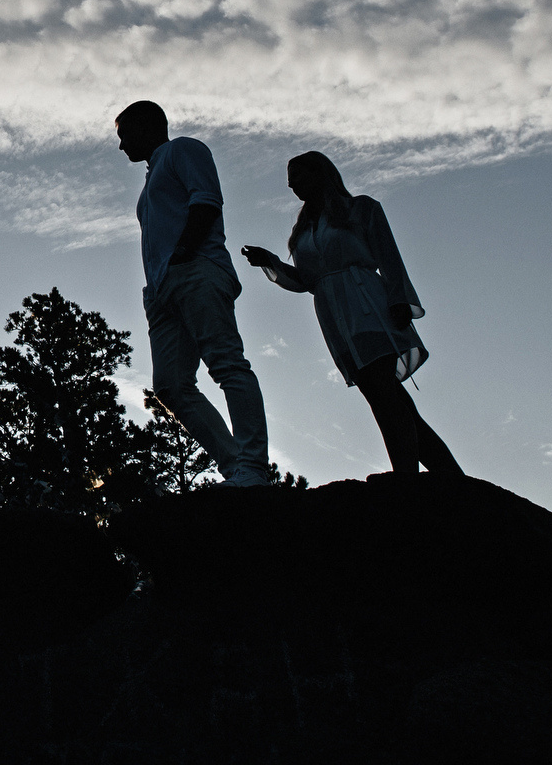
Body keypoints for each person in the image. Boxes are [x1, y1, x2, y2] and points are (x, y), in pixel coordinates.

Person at [240, 152, 462, 477]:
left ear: (320, 173)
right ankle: (447, 474)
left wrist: (400, 299)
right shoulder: (303, 231)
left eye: (299, 177)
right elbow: (307, 280)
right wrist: (271, 261)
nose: (293, 186)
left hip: (367, 304)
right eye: (290, 182)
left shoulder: (361, 209)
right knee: (383, 394)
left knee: (383, 392)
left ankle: (406, 474)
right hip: (335, 318)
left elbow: (388, 254)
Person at [115, 100, 273, 488]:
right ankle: (235, 464)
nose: (120, 147)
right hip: (162, 290)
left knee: (227, 364)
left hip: (196, 272)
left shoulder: (183, 149)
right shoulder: (149, 183)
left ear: (146, 126)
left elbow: (206, 201)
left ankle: (253, 466)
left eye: (123, 136)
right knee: (170, 385)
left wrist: (184, 256)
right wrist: (158, 283)